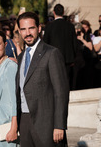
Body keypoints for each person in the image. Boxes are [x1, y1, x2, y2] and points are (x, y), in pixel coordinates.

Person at [16, 12, 69, 147]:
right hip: (24, 120)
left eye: (31, 28)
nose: (27, 33)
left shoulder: (51, 53)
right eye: (23, 29)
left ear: (39, 28)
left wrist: (59, 125)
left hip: (46, 122)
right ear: (19, 31)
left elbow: (61, 92)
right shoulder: (21, 56)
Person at [43, 4, 77, 89]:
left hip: (53, 59)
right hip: (68, 59)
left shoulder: (49, 26)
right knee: (66, 81)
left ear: (54, 13)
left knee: (55, 82)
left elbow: (45, 44)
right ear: (63, 12)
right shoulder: (70, 26)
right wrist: (73, 58)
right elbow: (74, 43)